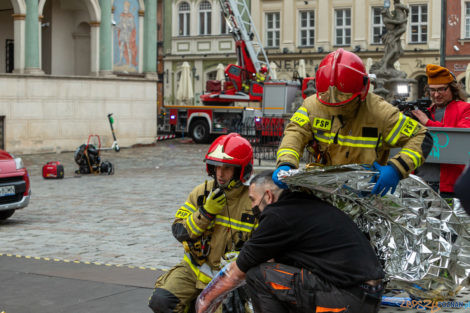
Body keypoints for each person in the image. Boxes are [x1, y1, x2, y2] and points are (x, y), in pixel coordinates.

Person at [196, 170, 385, 313]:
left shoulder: (278, 216)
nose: (252, 206)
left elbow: (238, 272)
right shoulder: (302, 206)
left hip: (350, 299)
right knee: (275, 273)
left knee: (257, 275)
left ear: (268, 196)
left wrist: (204, 302)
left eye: (253, 200)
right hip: (368, 295)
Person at [273, 48, 433, 196]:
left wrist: (397, 168)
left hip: (364, 194)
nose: (336, 106)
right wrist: (286, 162)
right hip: (323, 190)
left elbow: (421, 136)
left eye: (343, 100)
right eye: (329, 100)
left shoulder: (379, 112)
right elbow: (295, 133)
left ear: (362, 91)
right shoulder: (313, 106)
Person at [149, 133, 256, 313]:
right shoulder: (201, 192)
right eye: (217, 167)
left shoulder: (252, 200)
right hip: (193, 270)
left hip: (230, 279)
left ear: (241, 170)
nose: (220, 174)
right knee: (161, 301)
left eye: (227, 168)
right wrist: (205, 213)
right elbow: (179, 231)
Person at [412, 64, 470, 197]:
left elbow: (460, 138)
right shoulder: (426, 111)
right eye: (432, 90)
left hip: (449, 187)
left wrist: (428, 123)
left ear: (453, 89)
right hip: (419, 182)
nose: (436, 95)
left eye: (441, 89)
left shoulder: (465, 109)